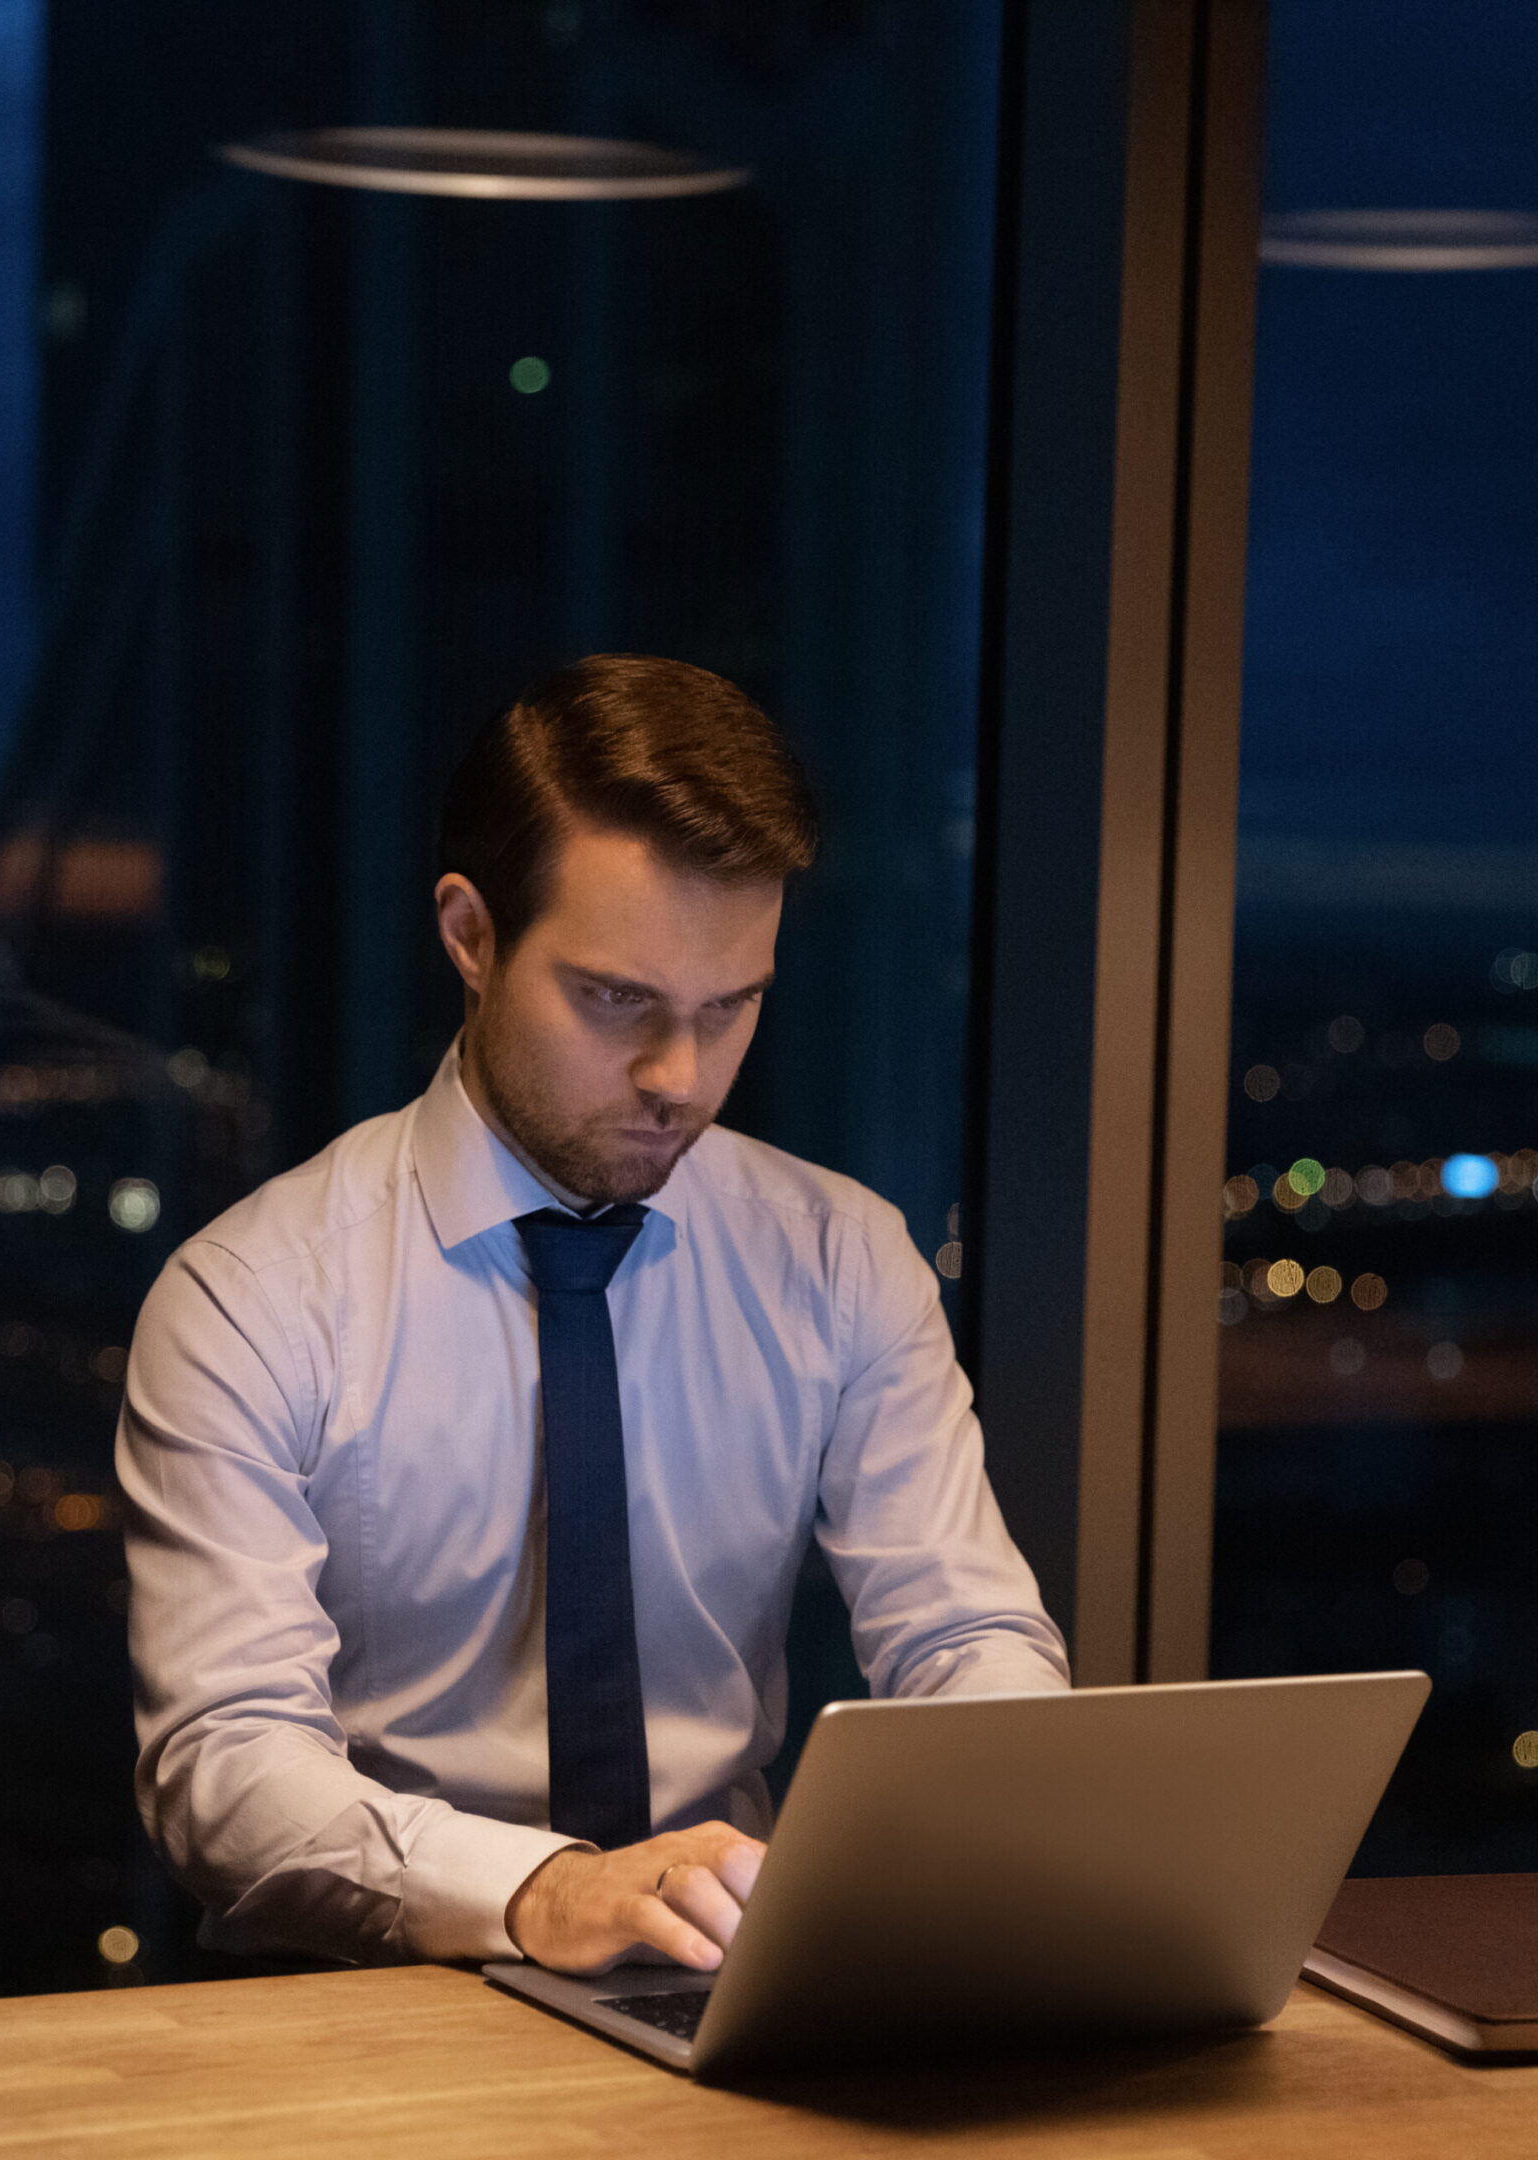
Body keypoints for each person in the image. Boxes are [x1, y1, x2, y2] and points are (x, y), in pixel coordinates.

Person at [118, 654, 1067, 1978]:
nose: (679, 1078)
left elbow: (963, 1633)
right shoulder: (256, 1300)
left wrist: (1009, 1807)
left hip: (730, 1982)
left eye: (728, 1008)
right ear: (470, 934)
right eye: (616, 1000)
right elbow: (223, 1768)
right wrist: (541, 1893)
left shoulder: (839, 1259)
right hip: (360, 2015)